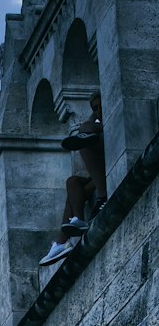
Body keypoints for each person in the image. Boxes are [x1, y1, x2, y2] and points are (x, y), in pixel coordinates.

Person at [40, 93, 106, 265]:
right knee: (72, 182)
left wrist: (90, 126)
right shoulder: (95, 124)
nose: (99, 111)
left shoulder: (109, 121)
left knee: (84, 141)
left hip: (106, 173)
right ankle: (74, 224)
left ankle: (102, 199)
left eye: (100, 107)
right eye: (95, 109)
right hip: (97, 177)